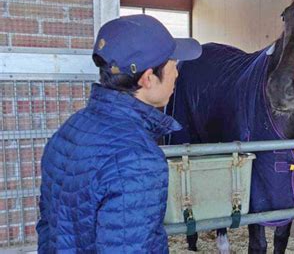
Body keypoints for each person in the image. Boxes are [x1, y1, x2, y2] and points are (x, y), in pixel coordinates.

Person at [36, 14, 202, 253]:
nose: (177, 73)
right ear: (148, 78)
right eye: (173, 64)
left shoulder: (71, 128)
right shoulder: (137, 159)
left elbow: (48, 226)